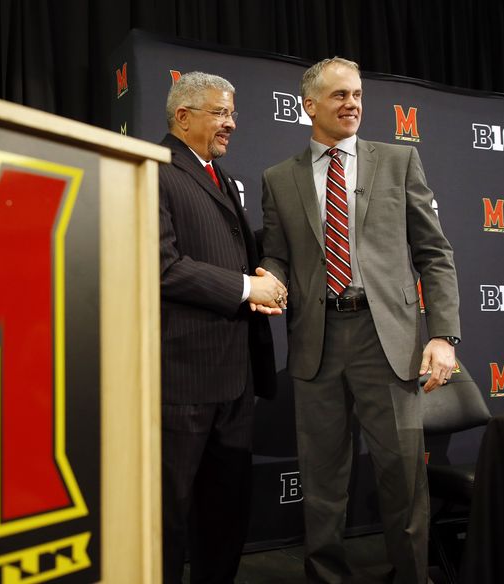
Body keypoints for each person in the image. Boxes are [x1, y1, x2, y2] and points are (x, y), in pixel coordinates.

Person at [259, 57, 461, 583]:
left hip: (386, 340)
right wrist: (270, 278)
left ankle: (412, 575)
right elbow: (278, 255)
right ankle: (326, 577)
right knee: (322, 481)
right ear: (309, 106)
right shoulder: (279, 179)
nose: (352, 105)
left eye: (357, 95)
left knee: (401, 477)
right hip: (316, 341)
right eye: (339, 96)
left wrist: (442, 334)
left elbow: (434, 254)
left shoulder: (398, 161)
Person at [159, 71, 286, 583]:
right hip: (182, 378)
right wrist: (244, 288)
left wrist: (272, 260)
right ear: (183, 116)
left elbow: (230, 249)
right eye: (220, 112)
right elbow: (160, 264)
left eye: (232, 112)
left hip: (235, 379)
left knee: (225, 515)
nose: (232, 123)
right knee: (167, 518)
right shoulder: (155, 169)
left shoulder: (217, 174)